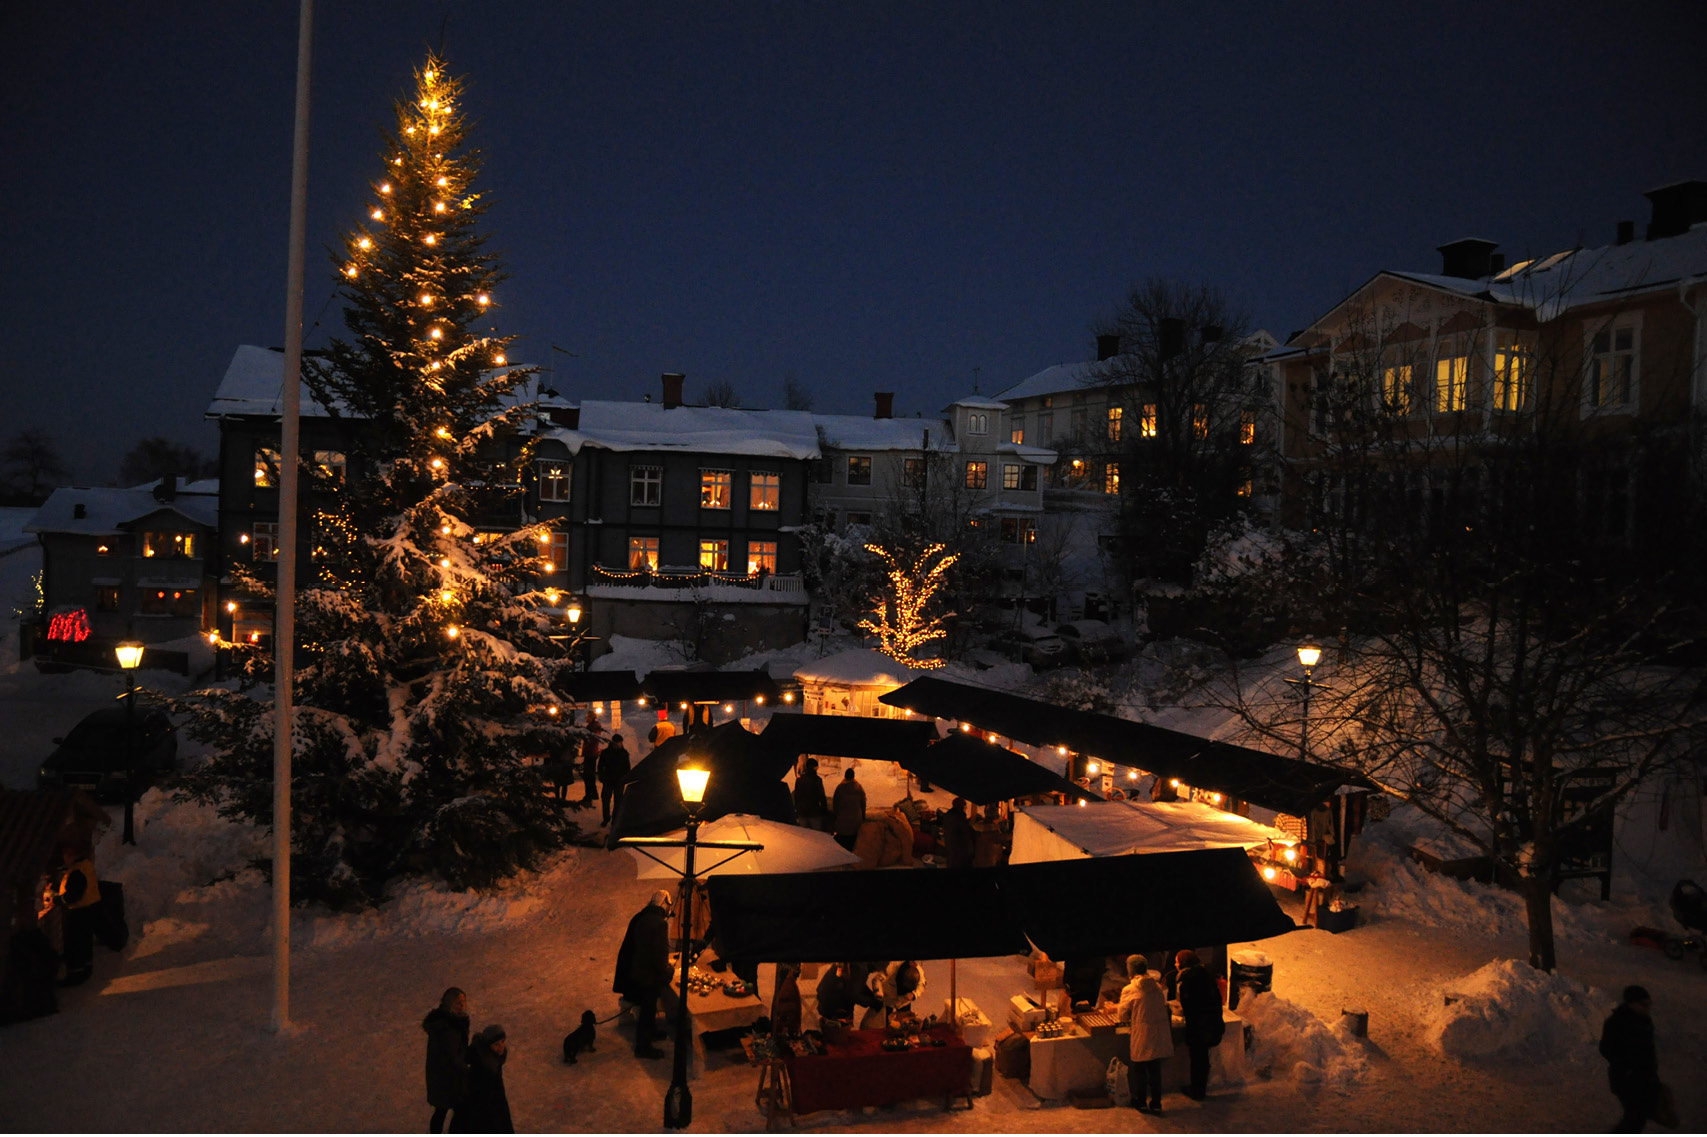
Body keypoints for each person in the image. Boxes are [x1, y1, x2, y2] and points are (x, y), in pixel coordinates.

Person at [613, 890, 673, 1059]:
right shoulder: (659, 923)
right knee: (647, 1008)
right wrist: (666, 970)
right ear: (664, 904)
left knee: (649, 1007)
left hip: (638, 971)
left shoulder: (642, 917)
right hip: (649, 974)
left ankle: (651, 1031)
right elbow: (658, 952)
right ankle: (643, 1046)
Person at [1116, 956, 1173, 1114]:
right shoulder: (1156, 986)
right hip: (1158, 1033)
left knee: (1140, 1068)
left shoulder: (1130, 989)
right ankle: (1156, 1102)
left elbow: (1122, 1015)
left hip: (1142, 1033)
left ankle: (1140, 1100)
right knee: (1155, 1069)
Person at [1599, 984, 1659, 1132]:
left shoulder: (1645, 1022)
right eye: (1643, 1004)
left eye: (1648, 1004)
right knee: (1635, 1116)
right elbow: (1606, 1049)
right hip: (1625, 1078)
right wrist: (1627, 1067)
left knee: (1638, 1116)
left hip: (1643, 1077)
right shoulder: (1617, 1022)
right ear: (1631, 1003)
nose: (1647, 1008)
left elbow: (1649, 1050)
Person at [1174, 949, 1224, 1100]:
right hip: (1212, 1023)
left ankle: (1197, 1090)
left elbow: (1188, 1006)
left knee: (1198, 1058)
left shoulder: (1187, 980)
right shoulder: (1206, 975)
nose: (1174, 964)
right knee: (1202, 1058)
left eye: (1176, 961)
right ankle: (1199, 1087)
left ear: (1183, 963)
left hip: (1199, 1027)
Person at [52, 842, 101, 986]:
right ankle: (86, 968)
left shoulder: (76, 872)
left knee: (74, 944)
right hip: (90, 909)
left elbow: (73, 895)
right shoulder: (86, 865)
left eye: (65, 857)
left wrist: (59, 899)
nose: (64, 860)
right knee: (85, 942)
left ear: (71, 856)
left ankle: (76, 973)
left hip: (78, 913)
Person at [423, 987, 471, 1133]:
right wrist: (467, 1070)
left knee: (444, 1110)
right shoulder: (447, 1026)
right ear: (449, 1004)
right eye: (457, 1002)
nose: (461, 1005)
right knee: (457, 1110)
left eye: (463, 1001)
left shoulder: (455, 1021)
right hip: (446, 1076)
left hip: (446, 1075)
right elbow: (452, 1055)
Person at [449, 1024, 513, 1133]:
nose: (501, 1046)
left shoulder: (491, 1058)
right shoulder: (485, 1064)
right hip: (483, 1107)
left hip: (491, 1103)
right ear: (488, 1045)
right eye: (496, 1044)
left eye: (503, 1042)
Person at [861, 959, 925, 1028]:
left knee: (906, 1024)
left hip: (904, 1002)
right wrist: (878, 992)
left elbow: (922, 985)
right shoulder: (890, 967)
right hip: (888, 1000)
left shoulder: (918, 971)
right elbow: (876, 980)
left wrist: (914, 995)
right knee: (887, 1025)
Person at [814, 961, 880, 1025]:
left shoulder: (859, 964)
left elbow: (857, 984)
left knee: (833, 1032)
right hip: (836, 1007)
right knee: (839, 1033)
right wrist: (873, 1002)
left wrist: (871, 996)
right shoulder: (860, 967)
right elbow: (853, 995)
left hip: (827, 999)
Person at [597, 733, 631, 826]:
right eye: (617, 743)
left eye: (620, 743)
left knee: (618, 801)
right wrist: (602, 776)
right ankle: (606, 818)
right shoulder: (607, 753)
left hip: (618, 780)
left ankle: (614, 819)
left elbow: (627, 768)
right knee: (606, 800)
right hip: (609, 779)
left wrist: (625, 778)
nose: (619, 744)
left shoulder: (623, 753)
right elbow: (600, 766)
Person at [831, 768, 866, 852]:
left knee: (843, 846)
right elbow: (863, 804)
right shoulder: (859, 787)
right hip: (855, 821)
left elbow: (835, 804)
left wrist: (835, 818)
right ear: (853, 776)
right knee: (853, 845)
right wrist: (863, 817)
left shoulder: (840, 788)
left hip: (842, 822)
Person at [792, 759, 829, 832]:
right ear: (815, 767)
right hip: (814, 812)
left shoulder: (799, 780)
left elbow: (796, 796)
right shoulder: (817, 780)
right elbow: (821, 797)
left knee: (805, 835)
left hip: (802, 812)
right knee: (817, 835)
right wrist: (825, 810)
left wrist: (797, 809)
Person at [940, 797, 975, 869]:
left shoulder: (948, 815)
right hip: (960, 851)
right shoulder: (960, 818)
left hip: (951, 848)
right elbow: (967, 832)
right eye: (965, 806)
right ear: (961, 807)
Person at [578, 715, 604, 807]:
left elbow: (589, 740)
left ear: (591, 717)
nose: (586, 719)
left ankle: (589, 795)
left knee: (588, 774)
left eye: (587, 717)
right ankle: (593, 793)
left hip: (590, 753)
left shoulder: (591, 728)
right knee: (590, 774)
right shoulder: (596, 727)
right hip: (592, 753)